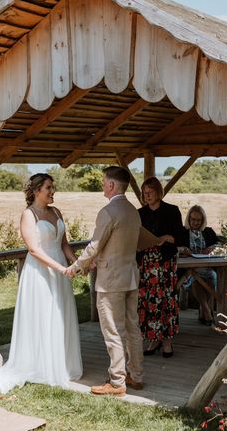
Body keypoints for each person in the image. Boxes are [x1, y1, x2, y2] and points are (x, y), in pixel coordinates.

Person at [0, 173, 82, 393]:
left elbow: (64, 244)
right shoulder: (28, 215)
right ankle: (40, 366)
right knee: (43, 315)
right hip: (40, 272)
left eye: (52, 187)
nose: (52, 191)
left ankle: (61, 363)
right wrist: (60, 268)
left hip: (61, 270)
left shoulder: (56, 212)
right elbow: (34, 249)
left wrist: (76, 263)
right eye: (48, 187)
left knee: (60, 314)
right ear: (37, 190)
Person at [66, 166, 144, 396]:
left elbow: (94, 245)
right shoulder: (133, 211)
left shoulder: (108, 212)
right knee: (132, 329)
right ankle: (136, 376)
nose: (102, 185)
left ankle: (117, 381)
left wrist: (76, 266)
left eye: (103, 182)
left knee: (113, 330)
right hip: (130, 275)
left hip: (111, 280)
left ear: (111, 185)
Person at [137, 177, 185, 358]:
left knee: (166, 301)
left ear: (158, 191)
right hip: (147, 263)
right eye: (144, 192)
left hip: (165, 263)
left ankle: (167, 342)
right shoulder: (140, 213)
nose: (146, 195)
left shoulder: (172, 211)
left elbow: (180, 237)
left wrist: (165, 237)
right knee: (148, 302)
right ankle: (152, 339)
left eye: (150, 191)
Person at [179, 205, 219, 326]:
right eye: (192, 219)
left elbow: (219, 244)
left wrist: (213, 247)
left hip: (206, 266)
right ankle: (206, 310)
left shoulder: (208, 231)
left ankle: (204, 310)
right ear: (188, 219)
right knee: (195, 277)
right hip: (188, 268)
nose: (195, 222)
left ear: (203, 220)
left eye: (198, 220)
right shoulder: (182, 231)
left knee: (212, 276)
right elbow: (176, 247)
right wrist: (182, 249)